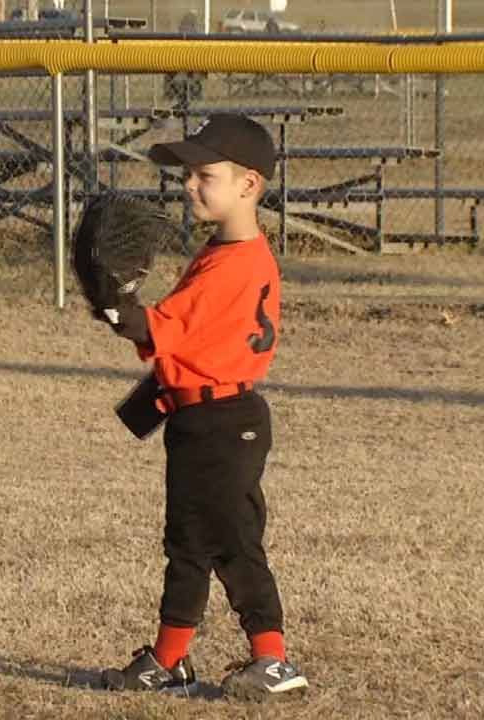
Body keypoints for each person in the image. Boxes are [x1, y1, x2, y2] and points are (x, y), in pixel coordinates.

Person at [97, 114, 309, 701]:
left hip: (222, 422)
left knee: (231, 541)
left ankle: (273, 660)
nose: (190, 184)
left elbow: (158, 329)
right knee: (187, 542)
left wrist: (114, 302)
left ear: (249, 185)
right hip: (201, 418)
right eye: (188, 174)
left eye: (205, 175)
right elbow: (183, 338)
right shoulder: (226, 252)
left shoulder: (233, 264)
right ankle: (167, 662)